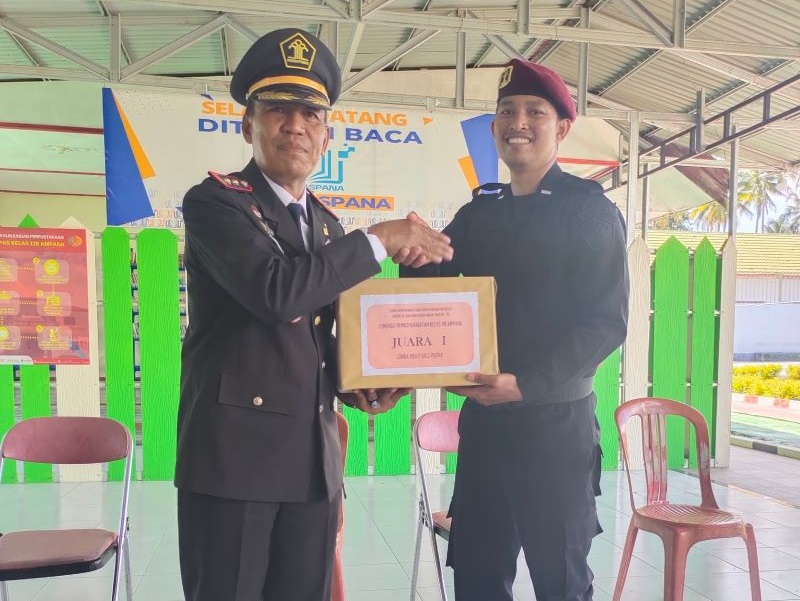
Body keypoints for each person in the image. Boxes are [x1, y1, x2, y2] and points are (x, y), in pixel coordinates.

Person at [175, 28, 453, 601]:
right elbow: (276, 294)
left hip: (311, 465)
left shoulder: (325, 226)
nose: (295, 126)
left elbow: (317, 336)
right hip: (235, 464)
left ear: (327, 135)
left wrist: (359, 383)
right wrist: (379, 239)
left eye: (311, 114)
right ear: (247, 125)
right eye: (278, 109)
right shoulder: (216, 203)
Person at [401, 58, 629, 601]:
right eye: (506, 111)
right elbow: (435, 283)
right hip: (485, 427)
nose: (517, 122)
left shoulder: (588, 212)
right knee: (477, 575)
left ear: (562, 128)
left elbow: (606, 322)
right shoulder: (482, 211)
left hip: (556, 428)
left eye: (534, 111)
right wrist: (412, 253)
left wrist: (526, 384)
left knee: (561, 580)